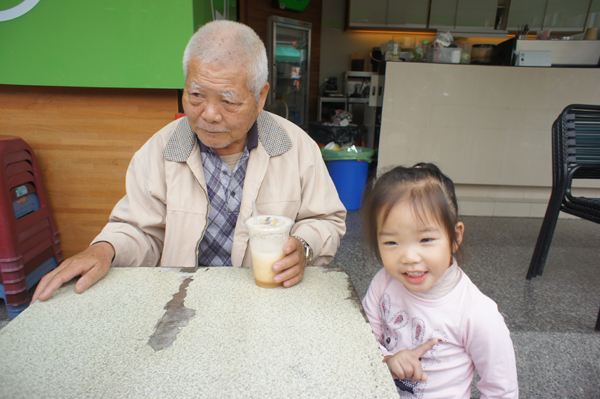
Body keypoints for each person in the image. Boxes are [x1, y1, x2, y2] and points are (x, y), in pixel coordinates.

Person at [32, 20, 346, 303]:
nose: (209, 114)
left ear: (260, 96)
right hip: (179, 302)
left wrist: (303, 247)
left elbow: (326, 220)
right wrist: (103, 250)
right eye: (196, 96)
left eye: (228, 101)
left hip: (268, 299)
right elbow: (140, 230)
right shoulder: (160, 149)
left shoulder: (295, 148)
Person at [360, 163, 518, 398]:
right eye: (391, 242)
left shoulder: (477, 314)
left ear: (454, 238)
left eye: (425, 239)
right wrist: (388, 359)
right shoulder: (384, 283)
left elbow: (501, 389)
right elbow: (362, 340)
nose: (409, 257)